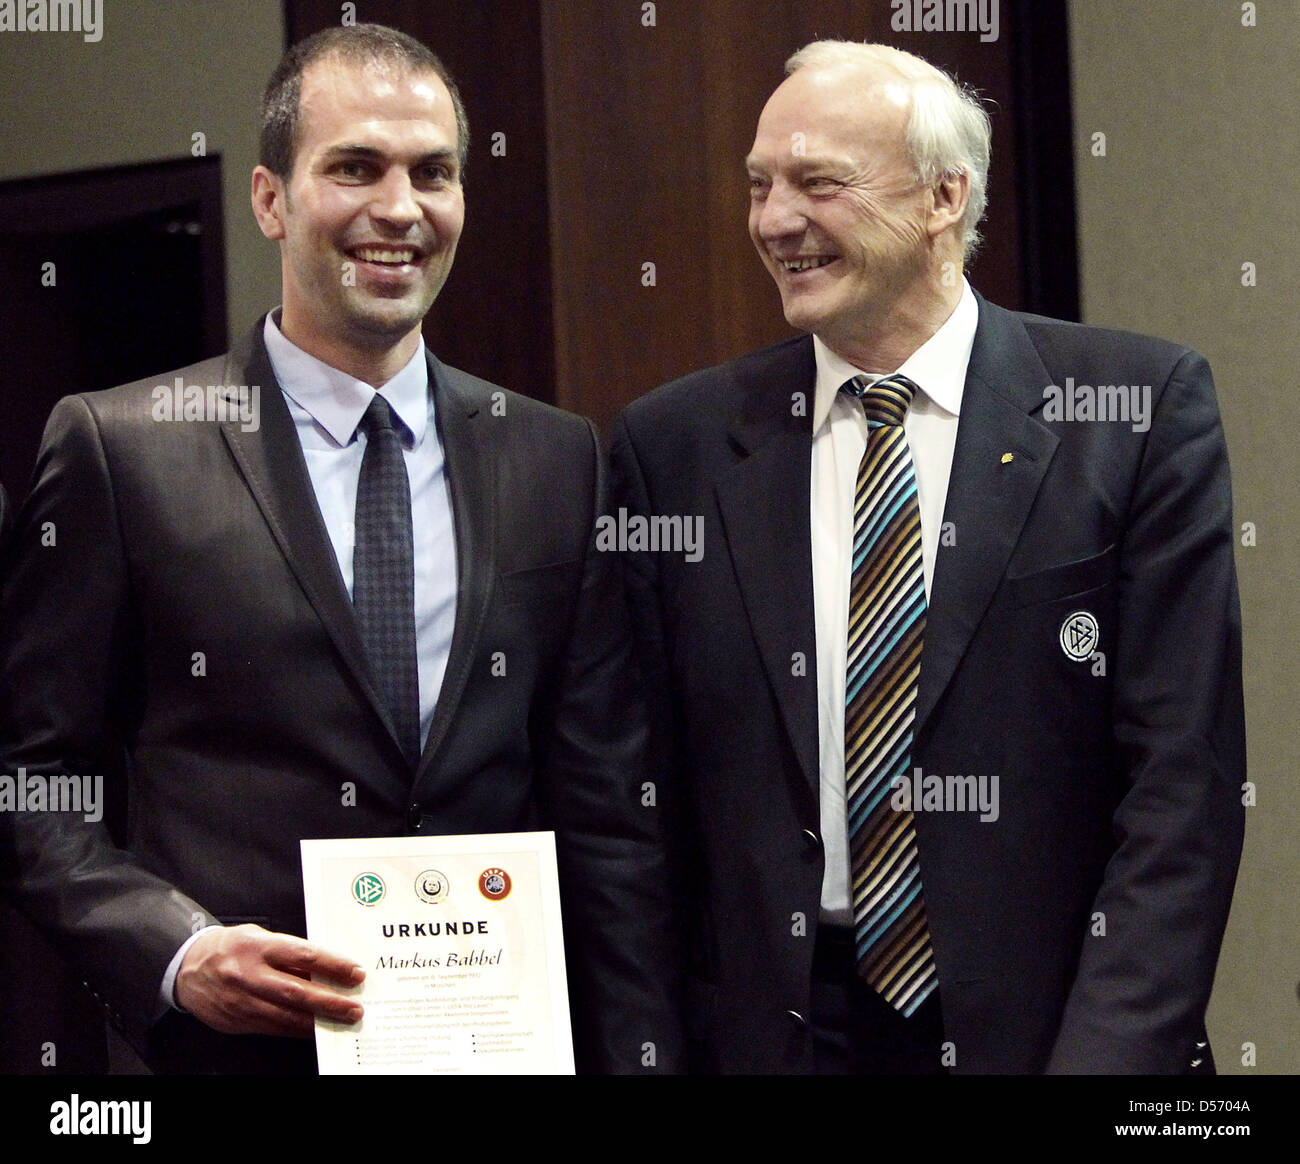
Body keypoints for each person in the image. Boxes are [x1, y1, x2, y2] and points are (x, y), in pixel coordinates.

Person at [0, 24, 678, 1075]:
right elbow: (32, 779)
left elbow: (606, 818)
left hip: (490, 1048)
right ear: (270, 198)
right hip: (229, 1058)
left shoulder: (556, 459)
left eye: (433, 173)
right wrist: (173, 951)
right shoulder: (123, 449)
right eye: (354, 167)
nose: (399, 209)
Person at [612, 40, 1245, 1074]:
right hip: (777, 1033)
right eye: (761, 187)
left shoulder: (1129, 415)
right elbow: (635, 813)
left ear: (945, 195)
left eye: (819, 184)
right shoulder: (672, 446)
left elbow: (1183, 790)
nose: (775, 221)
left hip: (1055, 1030)